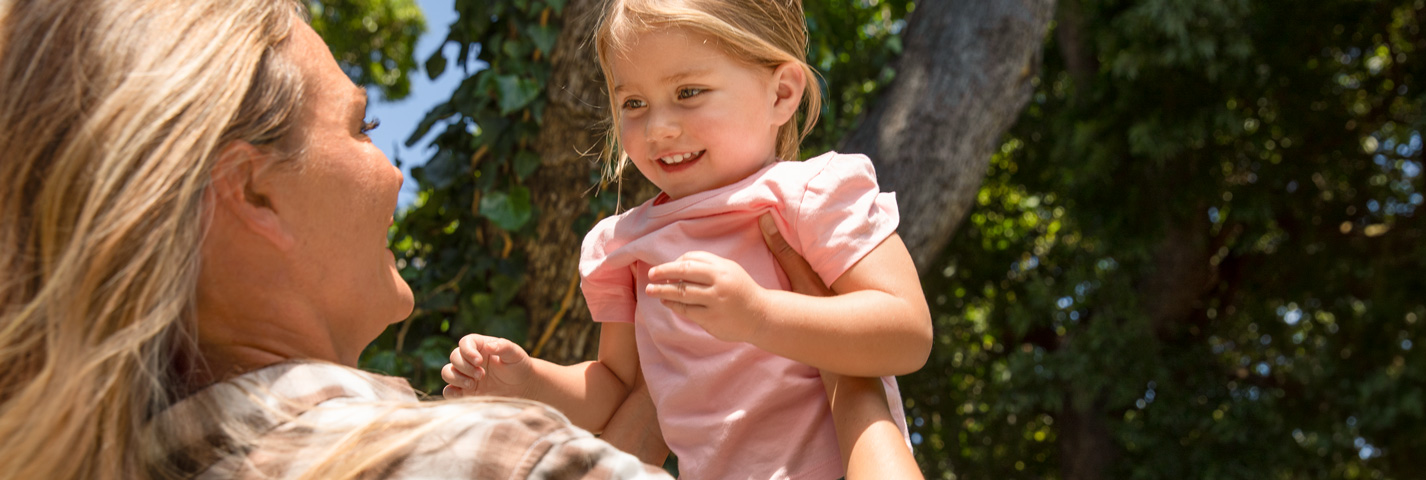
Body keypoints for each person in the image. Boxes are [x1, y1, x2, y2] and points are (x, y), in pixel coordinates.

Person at [0, 1, 674, 478]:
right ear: (253, 191)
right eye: (361, 127)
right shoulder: (492, 457)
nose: (395, 173)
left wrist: (654, 398)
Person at [441, 0, 932, 478]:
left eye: (688, 92)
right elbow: (619, 387)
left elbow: (907, 333)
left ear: (782, 94)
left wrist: (760, 315)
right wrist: (530, 383)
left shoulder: (809, 194)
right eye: (633, 103)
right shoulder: (627, 242)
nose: (658, 128)